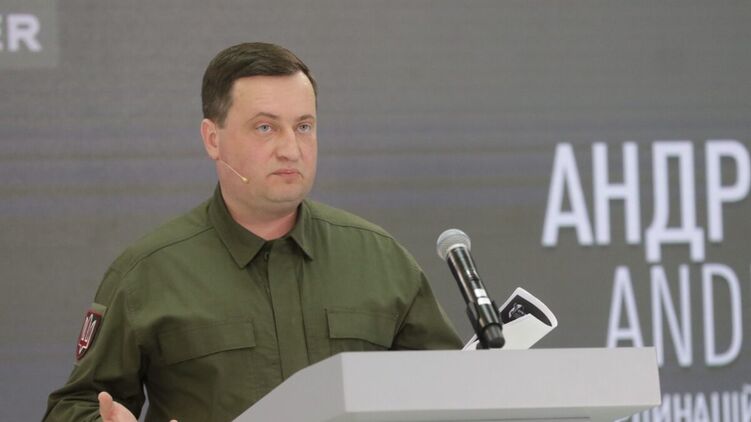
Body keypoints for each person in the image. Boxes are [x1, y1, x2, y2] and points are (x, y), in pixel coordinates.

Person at [43, 42, 462, 422]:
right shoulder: (149, 273)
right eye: (265, 127)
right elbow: (74, 406)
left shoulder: (379, 259)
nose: (291, 149)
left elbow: (454, 393)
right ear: (213, 139)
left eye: (303, 126)